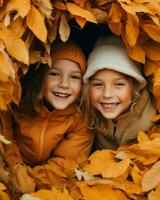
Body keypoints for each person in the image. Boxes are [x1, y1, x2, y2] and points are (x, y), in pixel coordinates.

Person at [0, 39, 94, 192]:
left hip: (47, 180)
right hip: (12, 167)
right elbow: (5, 139)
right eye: (55, 73)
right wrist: (17, 170)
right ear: (41, 76)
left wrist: (32, 181)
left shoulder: (81, 119)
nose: (64, 84)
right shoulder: (16, 101)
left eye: (74, 77)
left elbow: (64, 162)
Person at [82, 35, 156, 150]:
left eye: (118, 84)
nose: (107, 94)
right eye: (98, 84)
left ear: (135, 88)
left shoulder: (151, 118)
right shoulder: (87, 116)